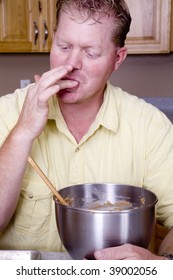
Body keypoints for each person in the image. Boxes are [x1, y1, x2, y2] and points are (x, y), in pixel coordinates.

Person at [0, 0, 173, 260]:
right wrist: (23, 131)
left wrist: (162, 264)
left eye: (90, 53)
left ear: (117, 59)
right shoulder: (7, 113)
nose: (71, 64)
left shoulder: (150, 127)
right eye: (64, 46)